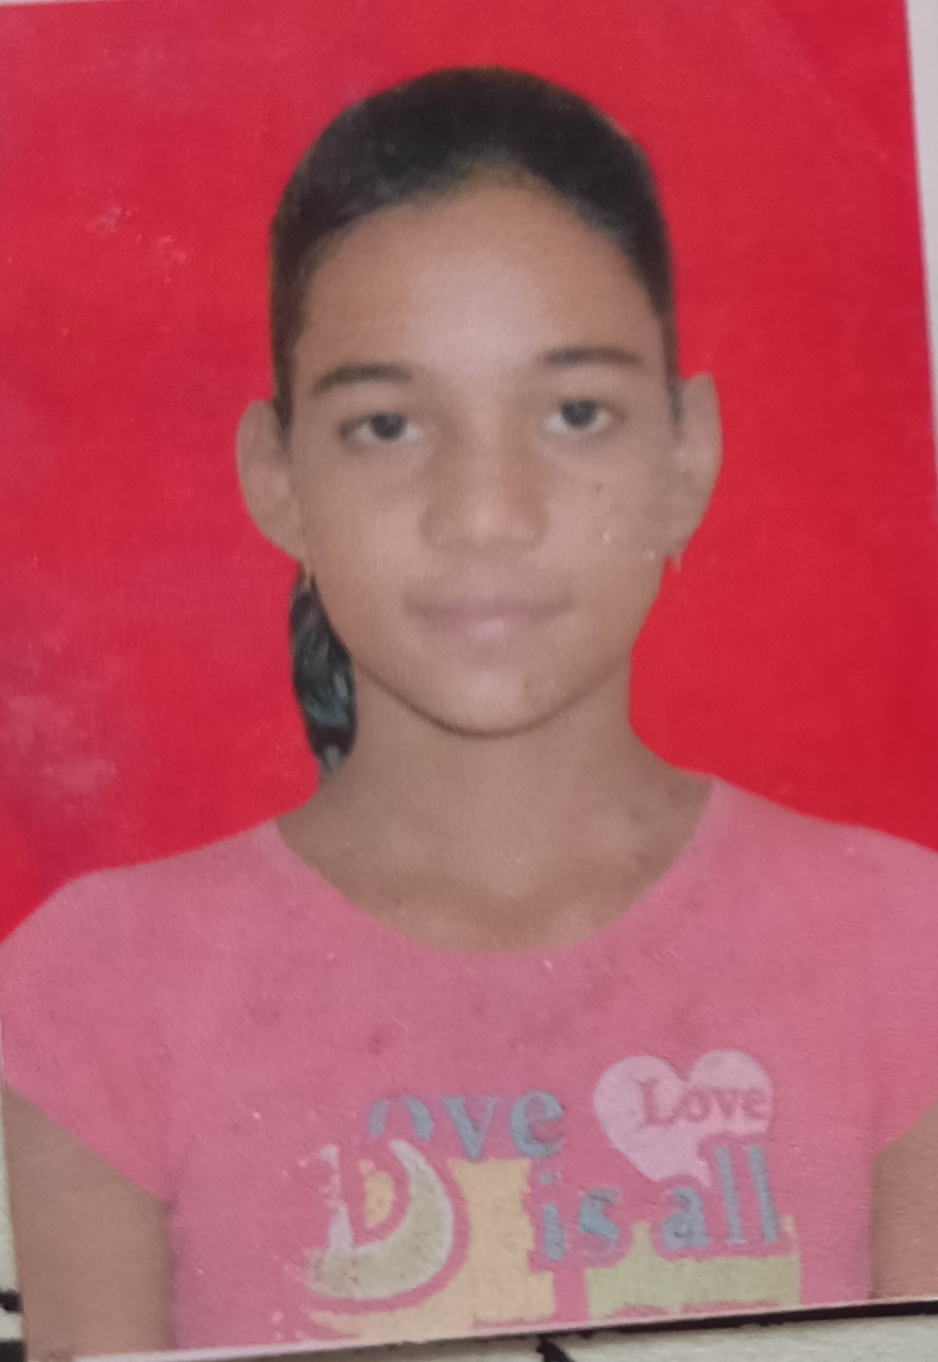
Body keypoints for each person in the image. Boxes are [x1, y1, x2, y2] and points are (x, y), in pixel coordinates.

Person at [3, 65, 938, 1361]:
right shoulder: (99, 986)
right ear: (277, 478)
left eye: (574, 413)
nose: (485, 513)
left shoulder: (897, 946)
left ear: (687, 454)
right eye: (388, 425)